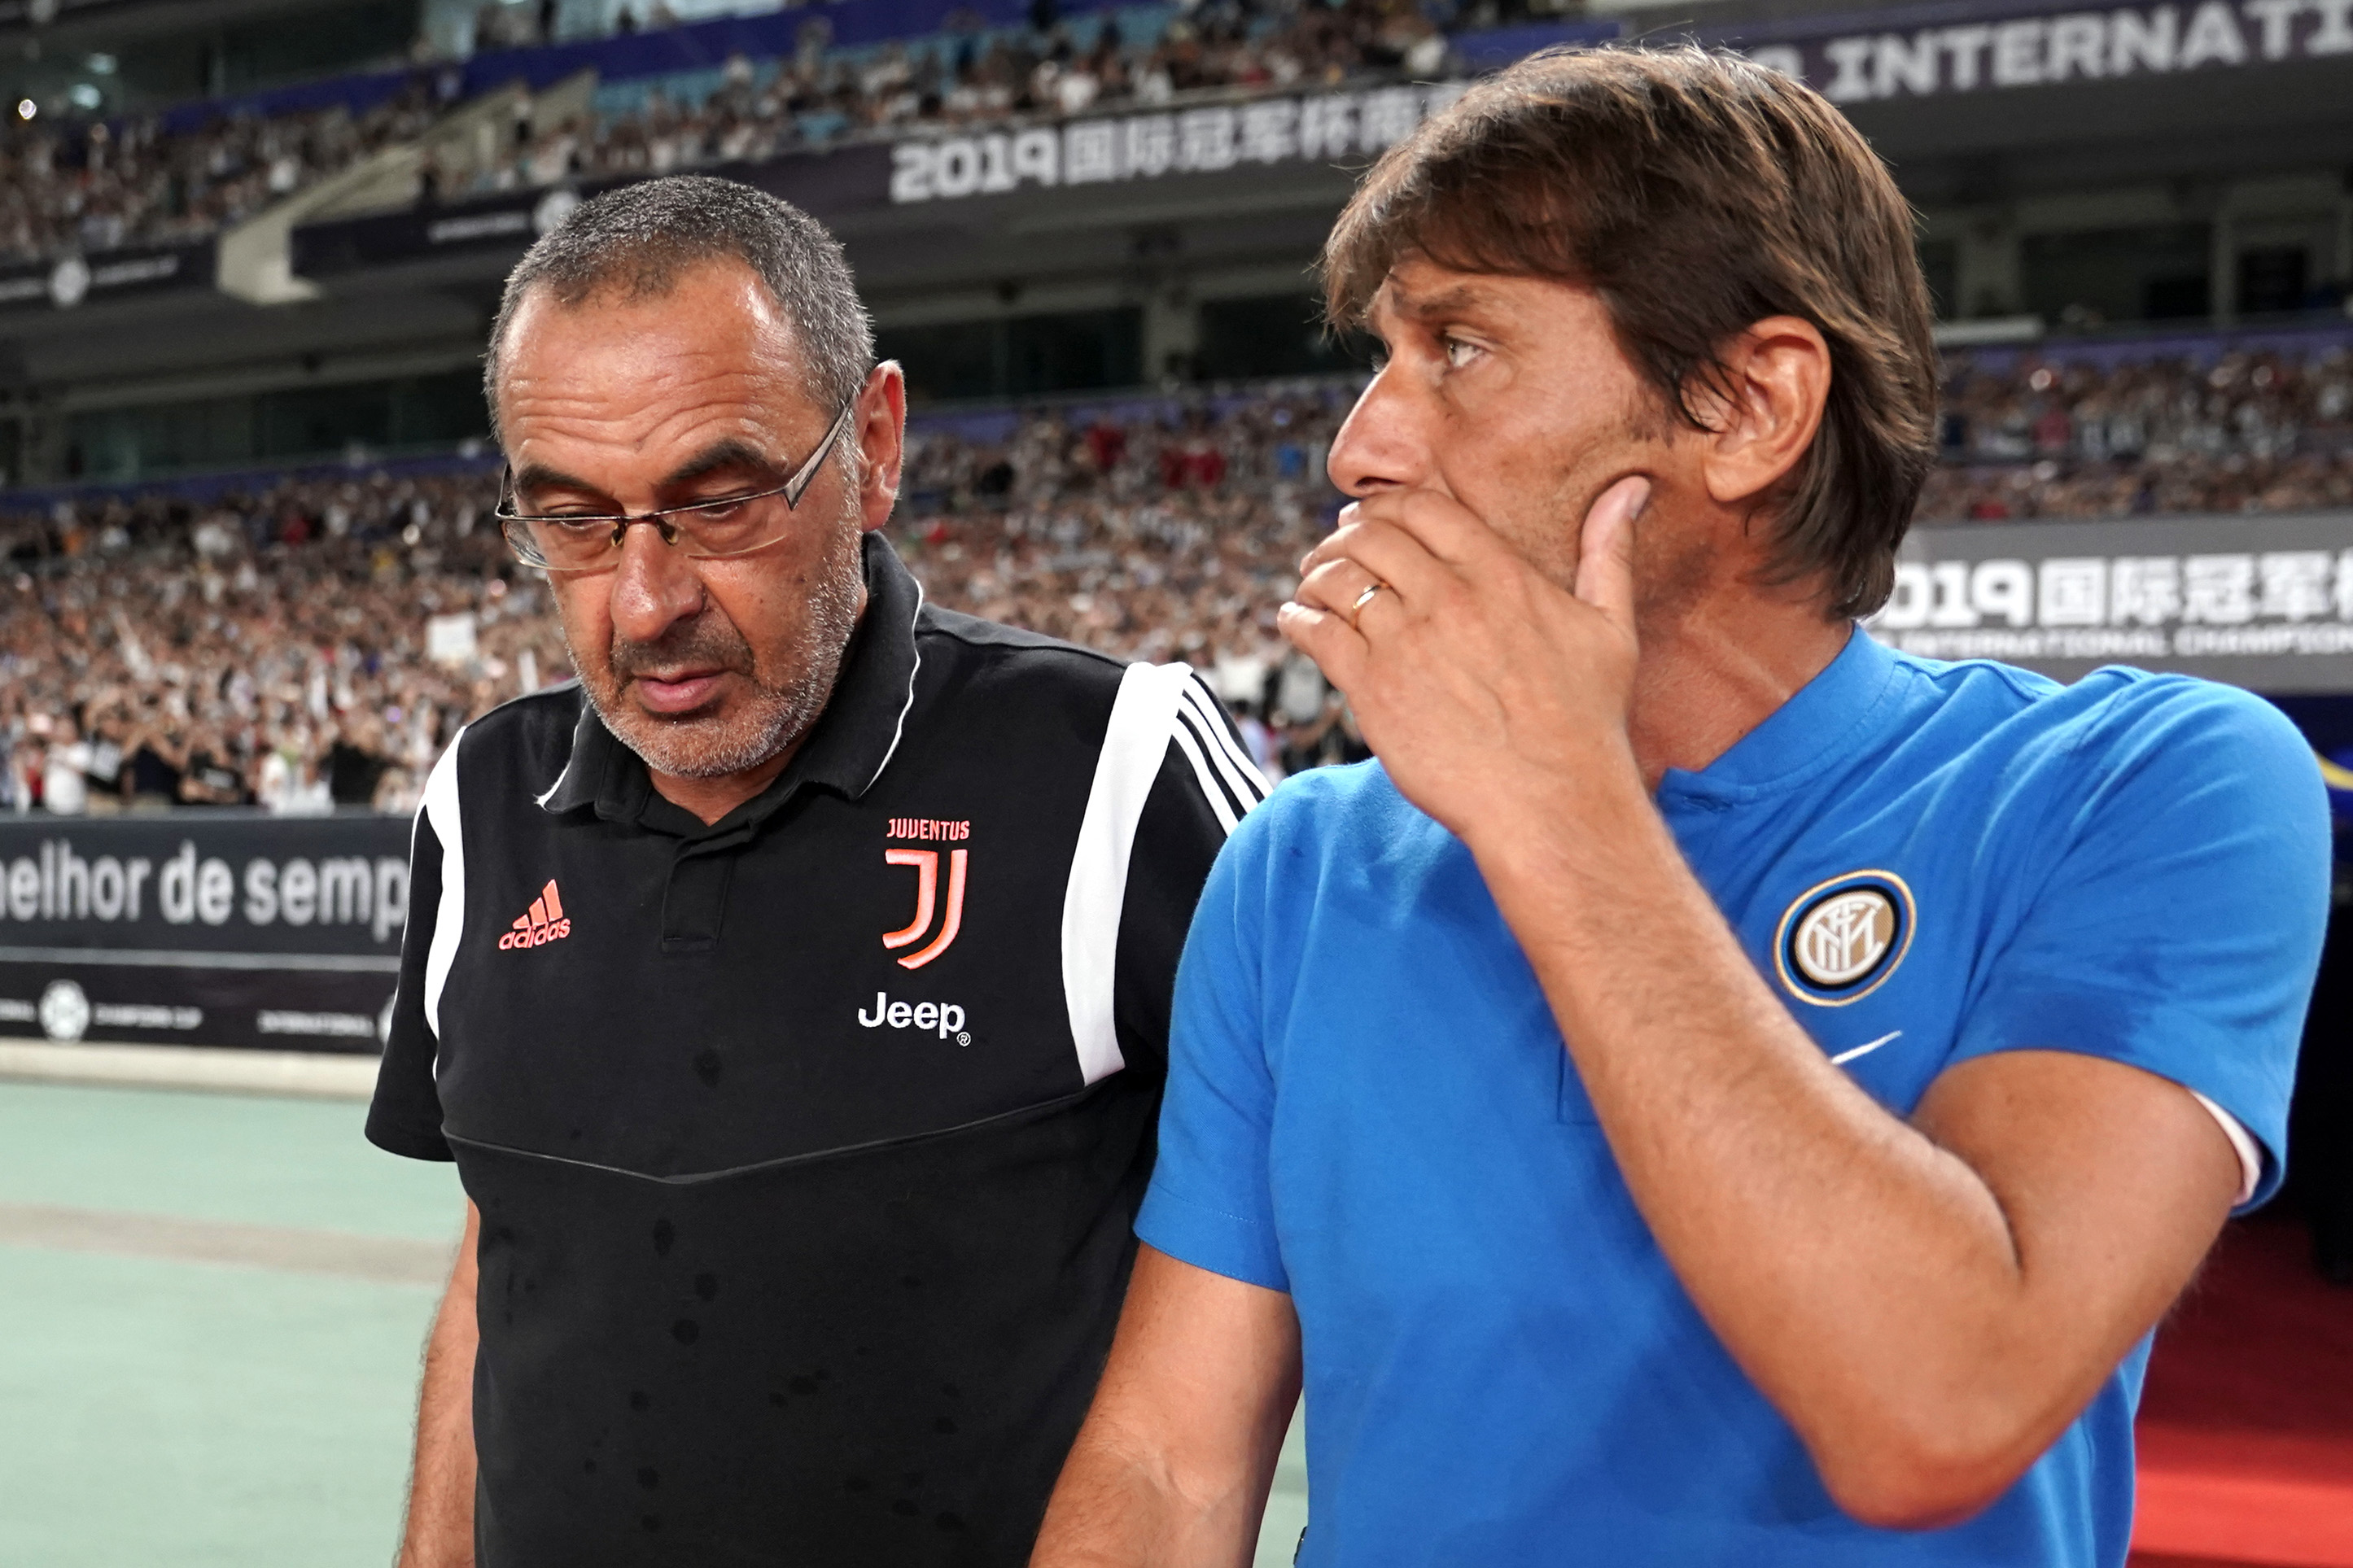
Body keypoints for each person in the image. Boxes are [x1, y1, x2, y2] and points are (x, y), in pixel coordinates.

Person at [1034, 47, 2327, 1568]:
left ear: (1745, 406)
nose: (1359, 445)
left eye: (1459, 346)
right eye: (1380, 355)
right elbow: (1171, 1467)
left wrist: (1555, 810)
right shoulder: (1304, 868)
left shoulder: (2144, 782)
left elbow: (1942, 1407)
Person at [365, 175, 1262, 1567]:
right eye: (575, 523)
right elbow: (509, 1251)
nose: (646, 602)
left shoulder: (1117, 766)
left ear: (878, 445)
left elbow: (1334, 1273)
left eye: (719, 503)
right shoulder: (483, 801)